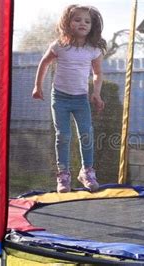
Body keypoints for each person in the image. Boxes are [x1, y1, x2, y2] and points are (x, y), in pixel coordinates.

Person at [32, 4, 106, 193]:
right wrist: (37, 86)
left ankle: (87, 171)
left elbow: (97, 73)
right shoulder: (59, 46)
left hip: (81, 98)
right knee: (63, 135)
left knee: (86, 134)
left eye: (87, 21)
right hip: (60, 97)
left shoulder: (93, 49)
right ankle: (63, 175)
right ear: (68, 23)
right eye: (77, 19)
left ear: (92, 26)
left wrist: (96, 92)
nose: (82, 23)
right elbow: (44, 63)